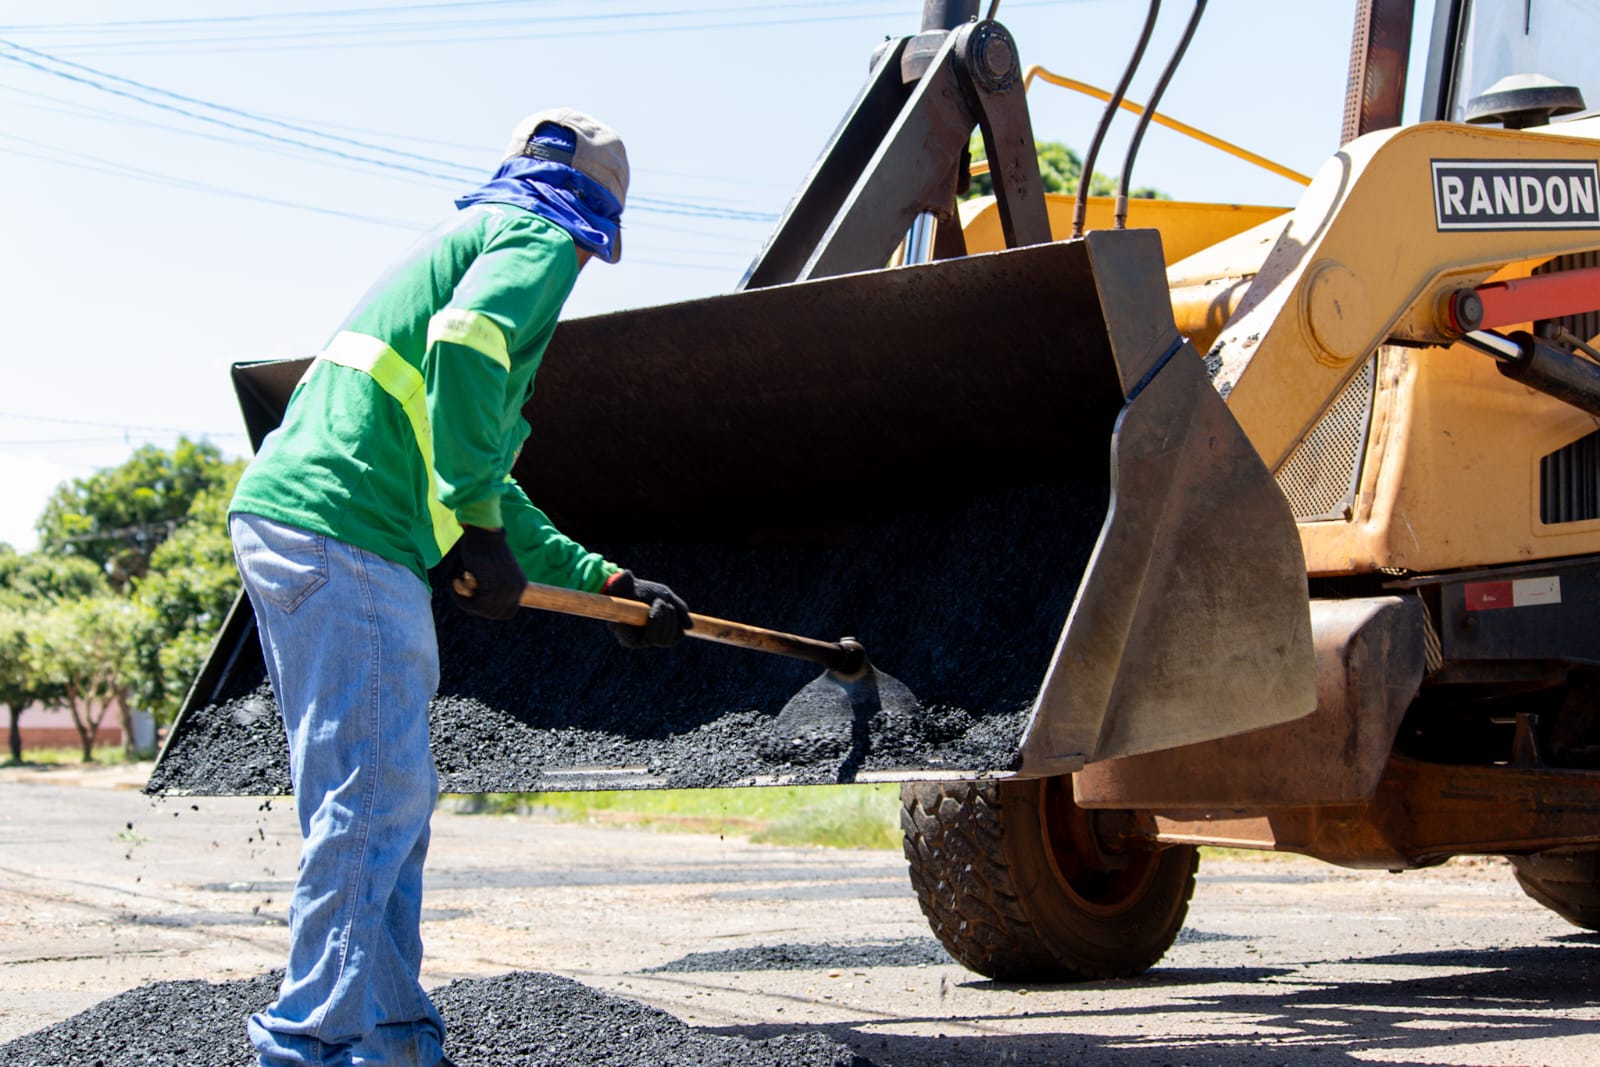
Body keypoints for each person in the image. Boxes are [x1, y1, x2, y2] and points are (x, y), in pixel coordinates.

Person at [227, 108, 689, 1067]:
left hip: (293, 519)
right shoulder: (538, 232)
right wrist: (468, 521)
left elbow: (481, 466)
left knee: (375, 797)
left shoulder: (462, 238)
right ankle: (304, 1044)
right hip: (349, 532)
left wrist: (599, 579)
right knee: (376, 797)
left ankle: (393, 1040)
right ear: (596, 223)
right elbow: (472, 344)